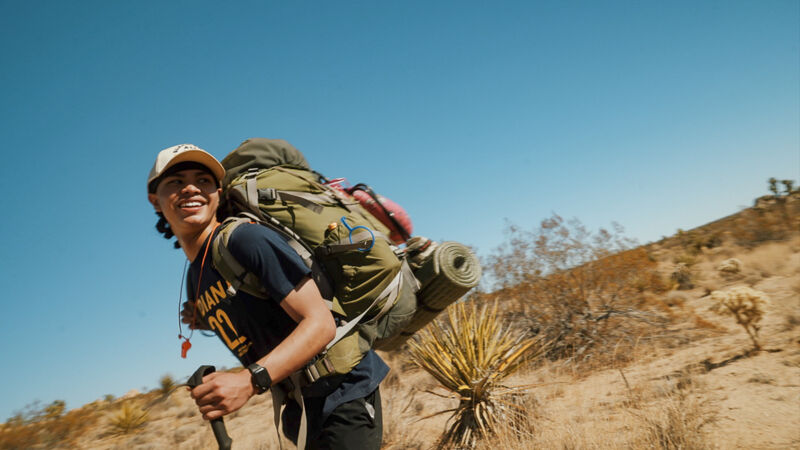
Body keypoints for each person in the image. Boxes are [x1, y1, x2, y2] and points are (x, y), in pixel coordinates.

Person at [146, 143, 386, 449]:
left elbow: (320, 323)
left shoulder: (245, 239)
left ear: (218, 193)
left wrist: (248, 381)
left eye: (203, 180)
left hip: (341, 392)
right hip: (299, 404)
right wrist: (208, 321)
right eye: (176, 182)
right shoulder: (196, 276)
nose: (191, 188)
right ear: (156, 200)